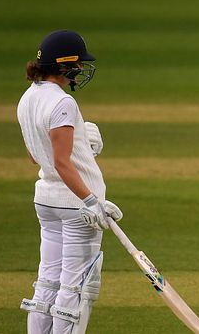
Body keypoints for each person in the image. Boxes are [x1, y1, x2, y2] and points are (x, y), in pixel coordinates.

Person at [17, 30, 123, 334]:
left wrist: (82, 150)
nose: (80, 69)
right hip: (76, 207)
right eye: (77, 64)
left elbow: (36, 155)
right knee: (76, 288)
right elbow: (61, 163)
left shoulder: (28, 98)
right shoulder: (63, 103)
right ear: (63, 66)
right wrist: (92, 201)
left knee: (48, 281)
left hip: (47, 202)